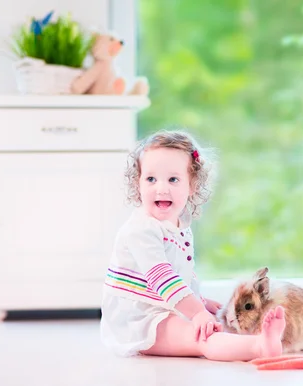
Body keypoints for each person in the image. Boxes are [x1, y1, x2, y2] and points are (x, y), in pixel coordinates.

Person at [100, 129, 286, 361]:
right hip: (141, 318)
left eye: (173, 179)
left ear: (193, 185)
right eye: (150, 179)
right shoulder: (141, 229)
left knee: (213, 324)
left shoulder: (179, 224)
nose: (161, 188)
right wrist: (196, 312)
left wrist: (199, 301)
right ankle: (258, 347)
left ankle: (257, 339)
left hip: (164, 305)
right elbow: (162, 278)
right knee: (200, 337)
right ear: (138, 183)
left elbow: (181, 274)